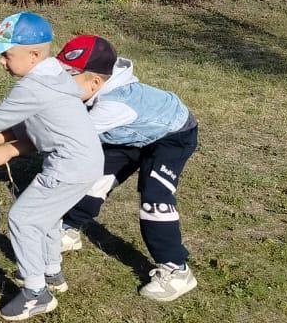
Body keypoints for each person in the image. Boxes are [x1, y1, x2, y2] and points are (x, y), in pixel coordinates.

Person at [0, 12, 103, 320]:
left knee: (23, 219)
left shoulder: (33, 87)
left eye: (6, 55)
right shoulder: (56, 76)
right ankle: (52, 272)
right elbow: (33, 125)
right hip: (84, 162)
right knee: (47, 217)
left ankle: (36, 293)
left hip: (69, 166)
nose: (1, 62)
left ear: (35, 55)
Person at [53, 35, 199, 301]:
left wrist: (3, 141)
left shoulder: (114, 105)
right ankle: (69, 229)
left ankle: (177, 270)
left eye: (67, 77)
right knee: (96, 175)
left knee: (155, 197)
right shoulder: (95, 86)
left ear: (95, 81)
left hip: (172, 136)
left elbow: (65, 137)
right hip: (129, 133)